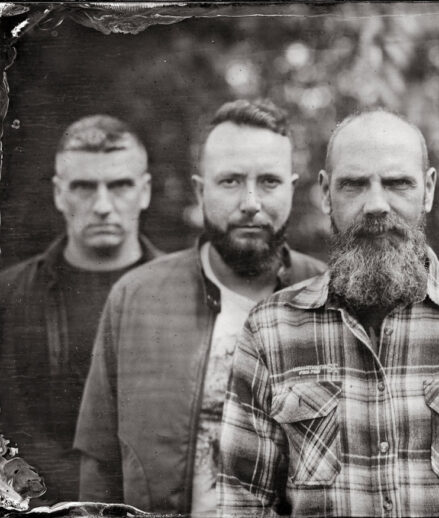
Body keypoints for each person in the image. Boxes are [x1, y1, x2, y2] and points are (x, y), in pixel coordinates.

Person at [217, 109, 439, 517]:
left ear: (428, 189)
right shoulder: (270, 330)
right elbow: (242, 506)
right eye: (354, 184)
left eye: (398, 183)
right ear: (326, 193)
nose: (376, 205)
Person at [74, 99, 325, 515]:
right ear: (199, 190)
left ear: (291, 189)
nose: (251, 202)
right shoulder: (136, 298)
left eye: (269, 181)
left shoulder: (329, 300)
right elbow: (98, 466)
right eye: (230, 181)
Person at [0, 115, 160, 505]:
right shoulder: (6, 296)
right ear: (59, 193)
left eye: (120, 185)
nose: (103, 206)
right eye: (84, 186)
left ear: (144, 191)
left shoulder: (195, 296)